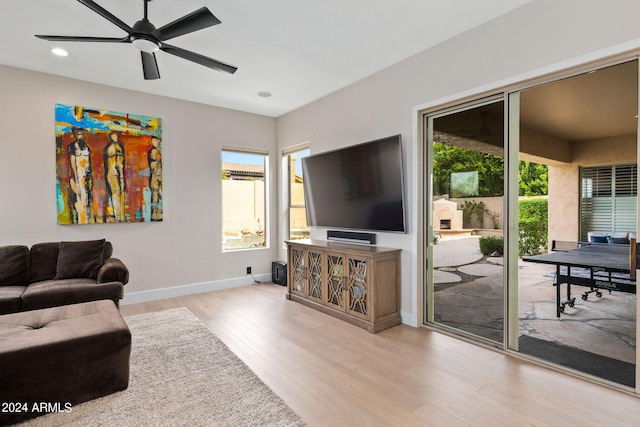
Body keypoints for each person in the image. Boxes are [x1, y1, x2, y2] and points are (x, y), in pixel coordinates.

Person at [67, 127, 94, 223]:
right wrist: (74, 180)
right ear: (75, 135)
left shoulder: (86, 147)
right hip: (78, 176)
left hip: (86, 177)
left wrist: (90, 177)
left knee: (87, 201)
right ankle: (81, 221)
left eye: (82, 133)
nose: (81, 135)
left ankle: (86, 221)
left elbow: (89, 164)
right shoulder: (72, 147)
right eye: (78, 134)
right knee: (79, 201)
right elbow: (73, 164)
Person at [103, 132, 127, 222]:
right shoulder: (111, 148)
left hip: (118, 173)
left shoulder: (119, 147)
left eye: (117, 136)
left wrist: (121, 174)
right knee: (116, 194)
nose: (116, 137)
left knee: (121, 193)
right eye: (114, 136)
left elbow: (120, 163)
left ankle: (121, 216)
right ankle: (118, 216)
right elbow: (113, 162)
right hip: (112, 173)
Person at [148, 136, 162, 221]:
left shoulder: (161, 152)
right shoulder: (152, 152)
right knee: (155, 196)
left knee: (159, 196)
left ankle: (158, 215)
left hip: (159, 176)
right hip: (154, 177)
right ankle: (154, 216)